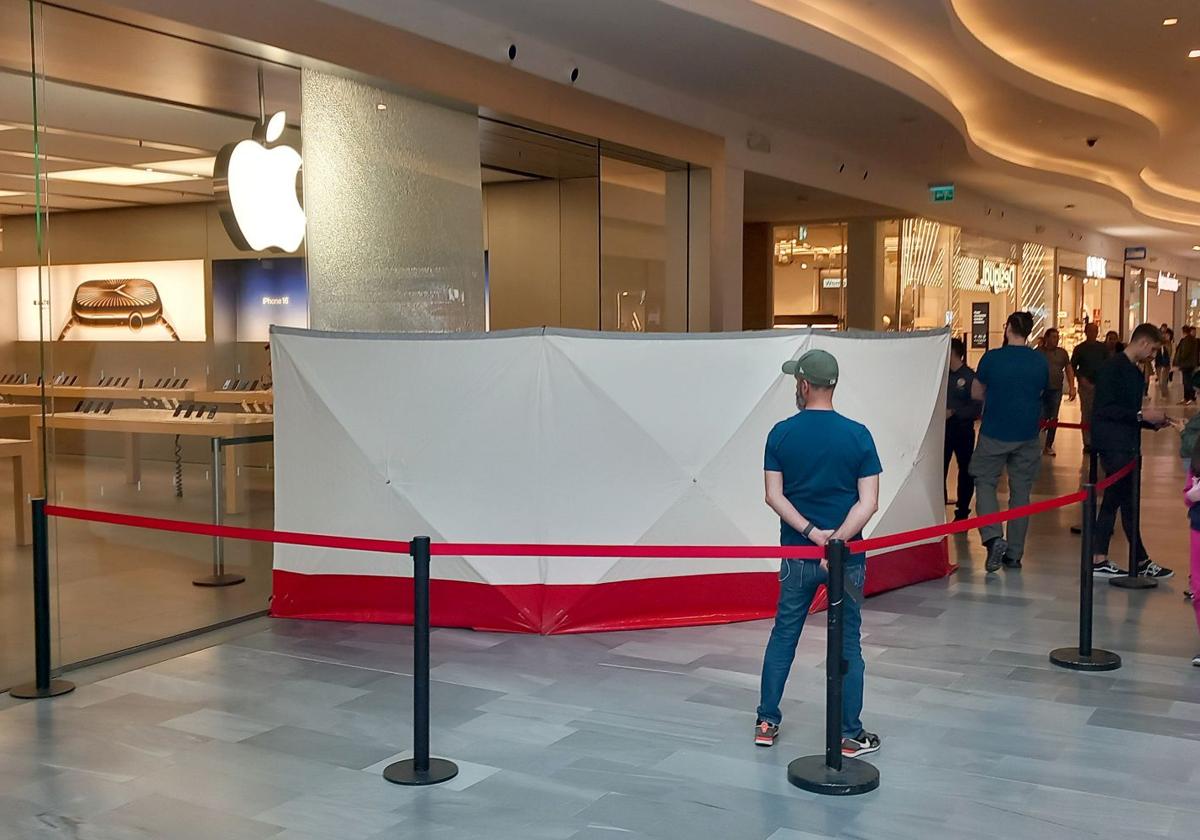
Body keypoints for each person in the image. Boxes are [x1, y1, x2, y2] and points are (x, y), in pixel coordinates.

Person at [756, 349, 882, 757]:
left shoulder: (780, 433)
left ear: (804, 385)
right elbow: (869, 503)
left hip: (798, 555)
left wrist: (813, 535)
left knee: (784, 634)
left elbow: (773, 496)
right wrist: (837, 541)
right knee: (849, 643)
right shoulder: (859, 434)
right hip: (847, 558)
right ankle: (849, 734)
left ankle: (766, 720)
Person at [1090, 323, 1175, 579]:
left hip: (1128, 444)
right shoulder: (1111, 369)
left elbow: (1130, 412)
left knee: (1128, 503)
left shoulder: (1135, 372)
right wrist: (1141, 415)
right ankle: (1099, 558)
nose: (1153, 356)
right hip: (1113, 444)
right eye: (1153, 351)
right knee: (1116, 498)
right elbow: (1104, 409)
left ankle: (1138, 559)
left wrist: (1152, 422)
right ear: (1144, 343)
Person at [969, 311, 1048, 573]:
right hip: (1027, 433)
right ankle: (1014, 554)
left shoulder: (992, 358)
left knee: (985, 481)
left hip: (995, 430)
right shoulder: (1039, 361)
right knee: (1021, 491)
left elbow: (976, 392)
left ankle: (993, 538)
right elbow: (1040, 392)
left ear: (1010, 328)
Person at [945, 338, 981, 521]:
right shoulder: (942, 375)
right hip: (943, 431)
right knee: (939, 469)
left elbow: (976, 406)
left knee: (966, 469)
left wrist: (954, 412)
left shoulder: (969, 377)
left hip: (963, 429)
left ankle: (962, 511)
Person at [1037, 328, 1076, 457]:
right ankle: (1034, 444)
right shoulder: (1038, 352)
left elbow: (1069, 369)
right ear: (1047, 338)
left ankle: (1048, 445)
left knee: (1053, 417)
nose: (1056, 339)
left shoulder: (1062, 353)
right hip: (1041, 390)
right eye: (1053, 337)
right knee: (1040, 416)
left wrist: (1072, 386)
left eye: (1057, 337)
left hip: (1056, 390)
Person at [1071, 322, 1108, 451]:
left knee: (1099, 413)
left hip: (1101, 385)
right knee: (1086, 412)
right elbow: (1072, 366)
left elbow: (1108, 365)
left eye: (1095, 331)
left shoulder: (1103, 348)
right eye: (1090, 331)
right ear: (1086, 332)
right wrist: (1081, 378)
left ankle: (1098, 439)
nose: (1093, 333)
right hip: (1085, 385)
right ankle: (1087, 441)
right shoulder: (1080, 348)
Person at [1175, 324, 1198, 405]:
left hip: (1187, 364)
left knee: (1187, 382)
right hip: (1190, 364)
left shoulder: (1187, 340)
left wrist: (1180, 359)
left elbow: (1185, 352)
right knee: (1187, 381)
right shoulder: (1192, 340)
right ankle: (1187, 398)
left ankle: (1189, 397)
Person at [1156, 327, 1174, 402]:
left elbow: (1170, 354)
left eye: (1167, 335)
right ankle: (1163, 394)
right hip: (1159, 364)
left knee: (1163, 380)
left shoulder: (1169, 345)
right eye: (1164, 334)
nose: (1165, 336)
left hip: (1166, 365)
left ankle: (1164, 394)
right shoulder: (1159, 343)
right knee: (1160, 381)